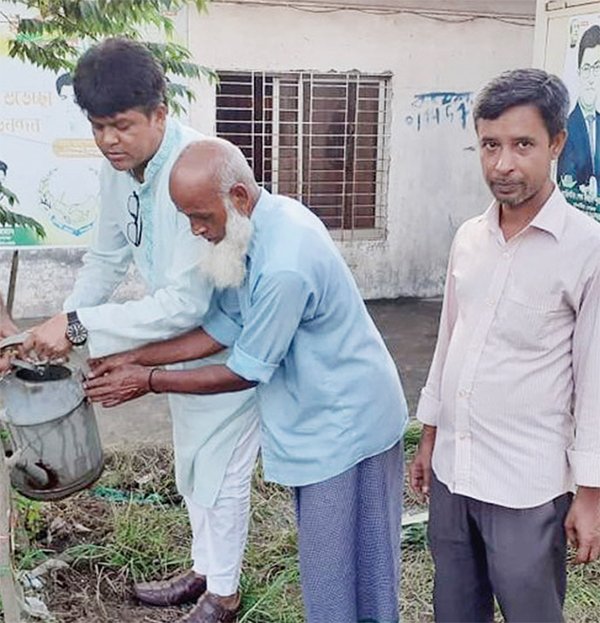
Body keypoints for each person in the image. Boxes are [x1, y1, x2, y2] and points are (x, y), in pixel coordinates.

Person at [82, 137, 409, 623]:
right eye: (186, 218)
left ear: (236, 197)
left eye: (200, 217)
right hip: (321, 419)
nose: (196, 231)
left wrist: (148, 380)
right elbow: (224, 326)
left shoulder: (284, 264)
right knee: (338, 566)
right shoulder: (254, 228)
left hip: (349, 422)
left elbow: (244, 370)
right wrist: (136, 358)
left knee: (342, 569)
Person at [24, 39, 259, 623]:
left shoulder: (197, 169)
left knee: (221, 470)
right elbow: (104, 259)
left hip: (227, 343)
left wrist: (78, 326)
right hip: (174, 345)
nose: (109, 140)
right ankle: (207, 569)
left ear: (159, 113)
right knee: (192, 464)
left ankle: (224, 595)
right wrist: (65, 326)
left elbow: (186, 302)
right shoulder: (121, 170)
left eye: (122, 125)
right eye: (98, 126)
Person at [410, 68, 600, 623]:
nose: (502, 165)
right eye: (490, 145)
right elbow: (450, 341)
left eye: (522, 145)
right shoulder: (469, 237)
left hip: (528, 486)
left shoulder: (586, 251)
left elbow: (594, 382)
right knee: (455, 610)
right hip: (454, 470)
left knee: (532, 612)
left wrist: (590, 491)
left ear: (557, 143)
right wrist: (429, 435)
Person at [557, 25, 600, 192]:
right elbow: (564, 182)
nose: (591, 79)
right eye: (587, 69)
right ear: (579, 72)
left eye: (597, 68)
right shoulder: (567, 127)